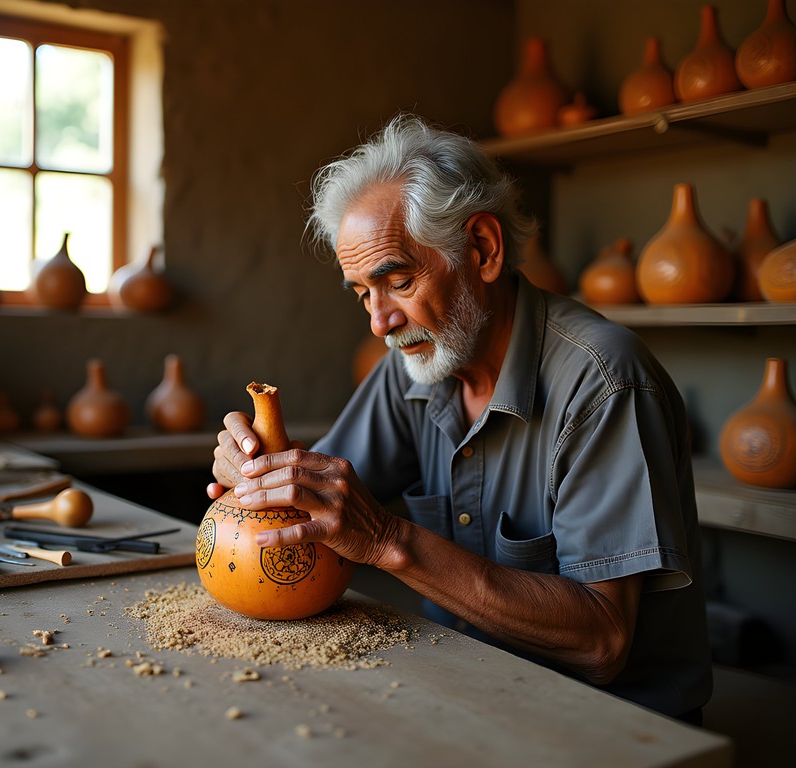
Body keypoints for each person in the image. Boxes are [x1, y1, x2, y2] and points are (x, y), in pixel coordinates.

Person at [206, 113, 712, 723]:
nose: (379, 321)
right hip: (463, 691)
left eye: (397, 280)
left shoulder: (604, 382)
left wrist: (389, 541)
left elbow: (601, 643)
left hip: (606, 725)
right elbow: (316, 504)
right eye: (363, 292)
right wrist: (259, 464)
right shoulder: (414, 365)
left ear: (482, 249)